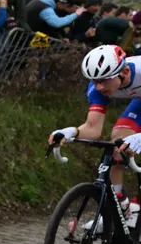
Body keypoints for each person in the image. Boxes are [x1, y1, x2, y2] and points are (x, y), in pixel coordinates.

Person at [53, 44, 141, 226]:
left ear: (124, 72)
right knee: (119, 145)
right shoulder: (97, 88)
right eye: (95, 80)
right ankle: (120, 207)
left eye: (104, 80)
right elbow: (93, 128)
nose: (99, 86)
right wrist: (71, 132)